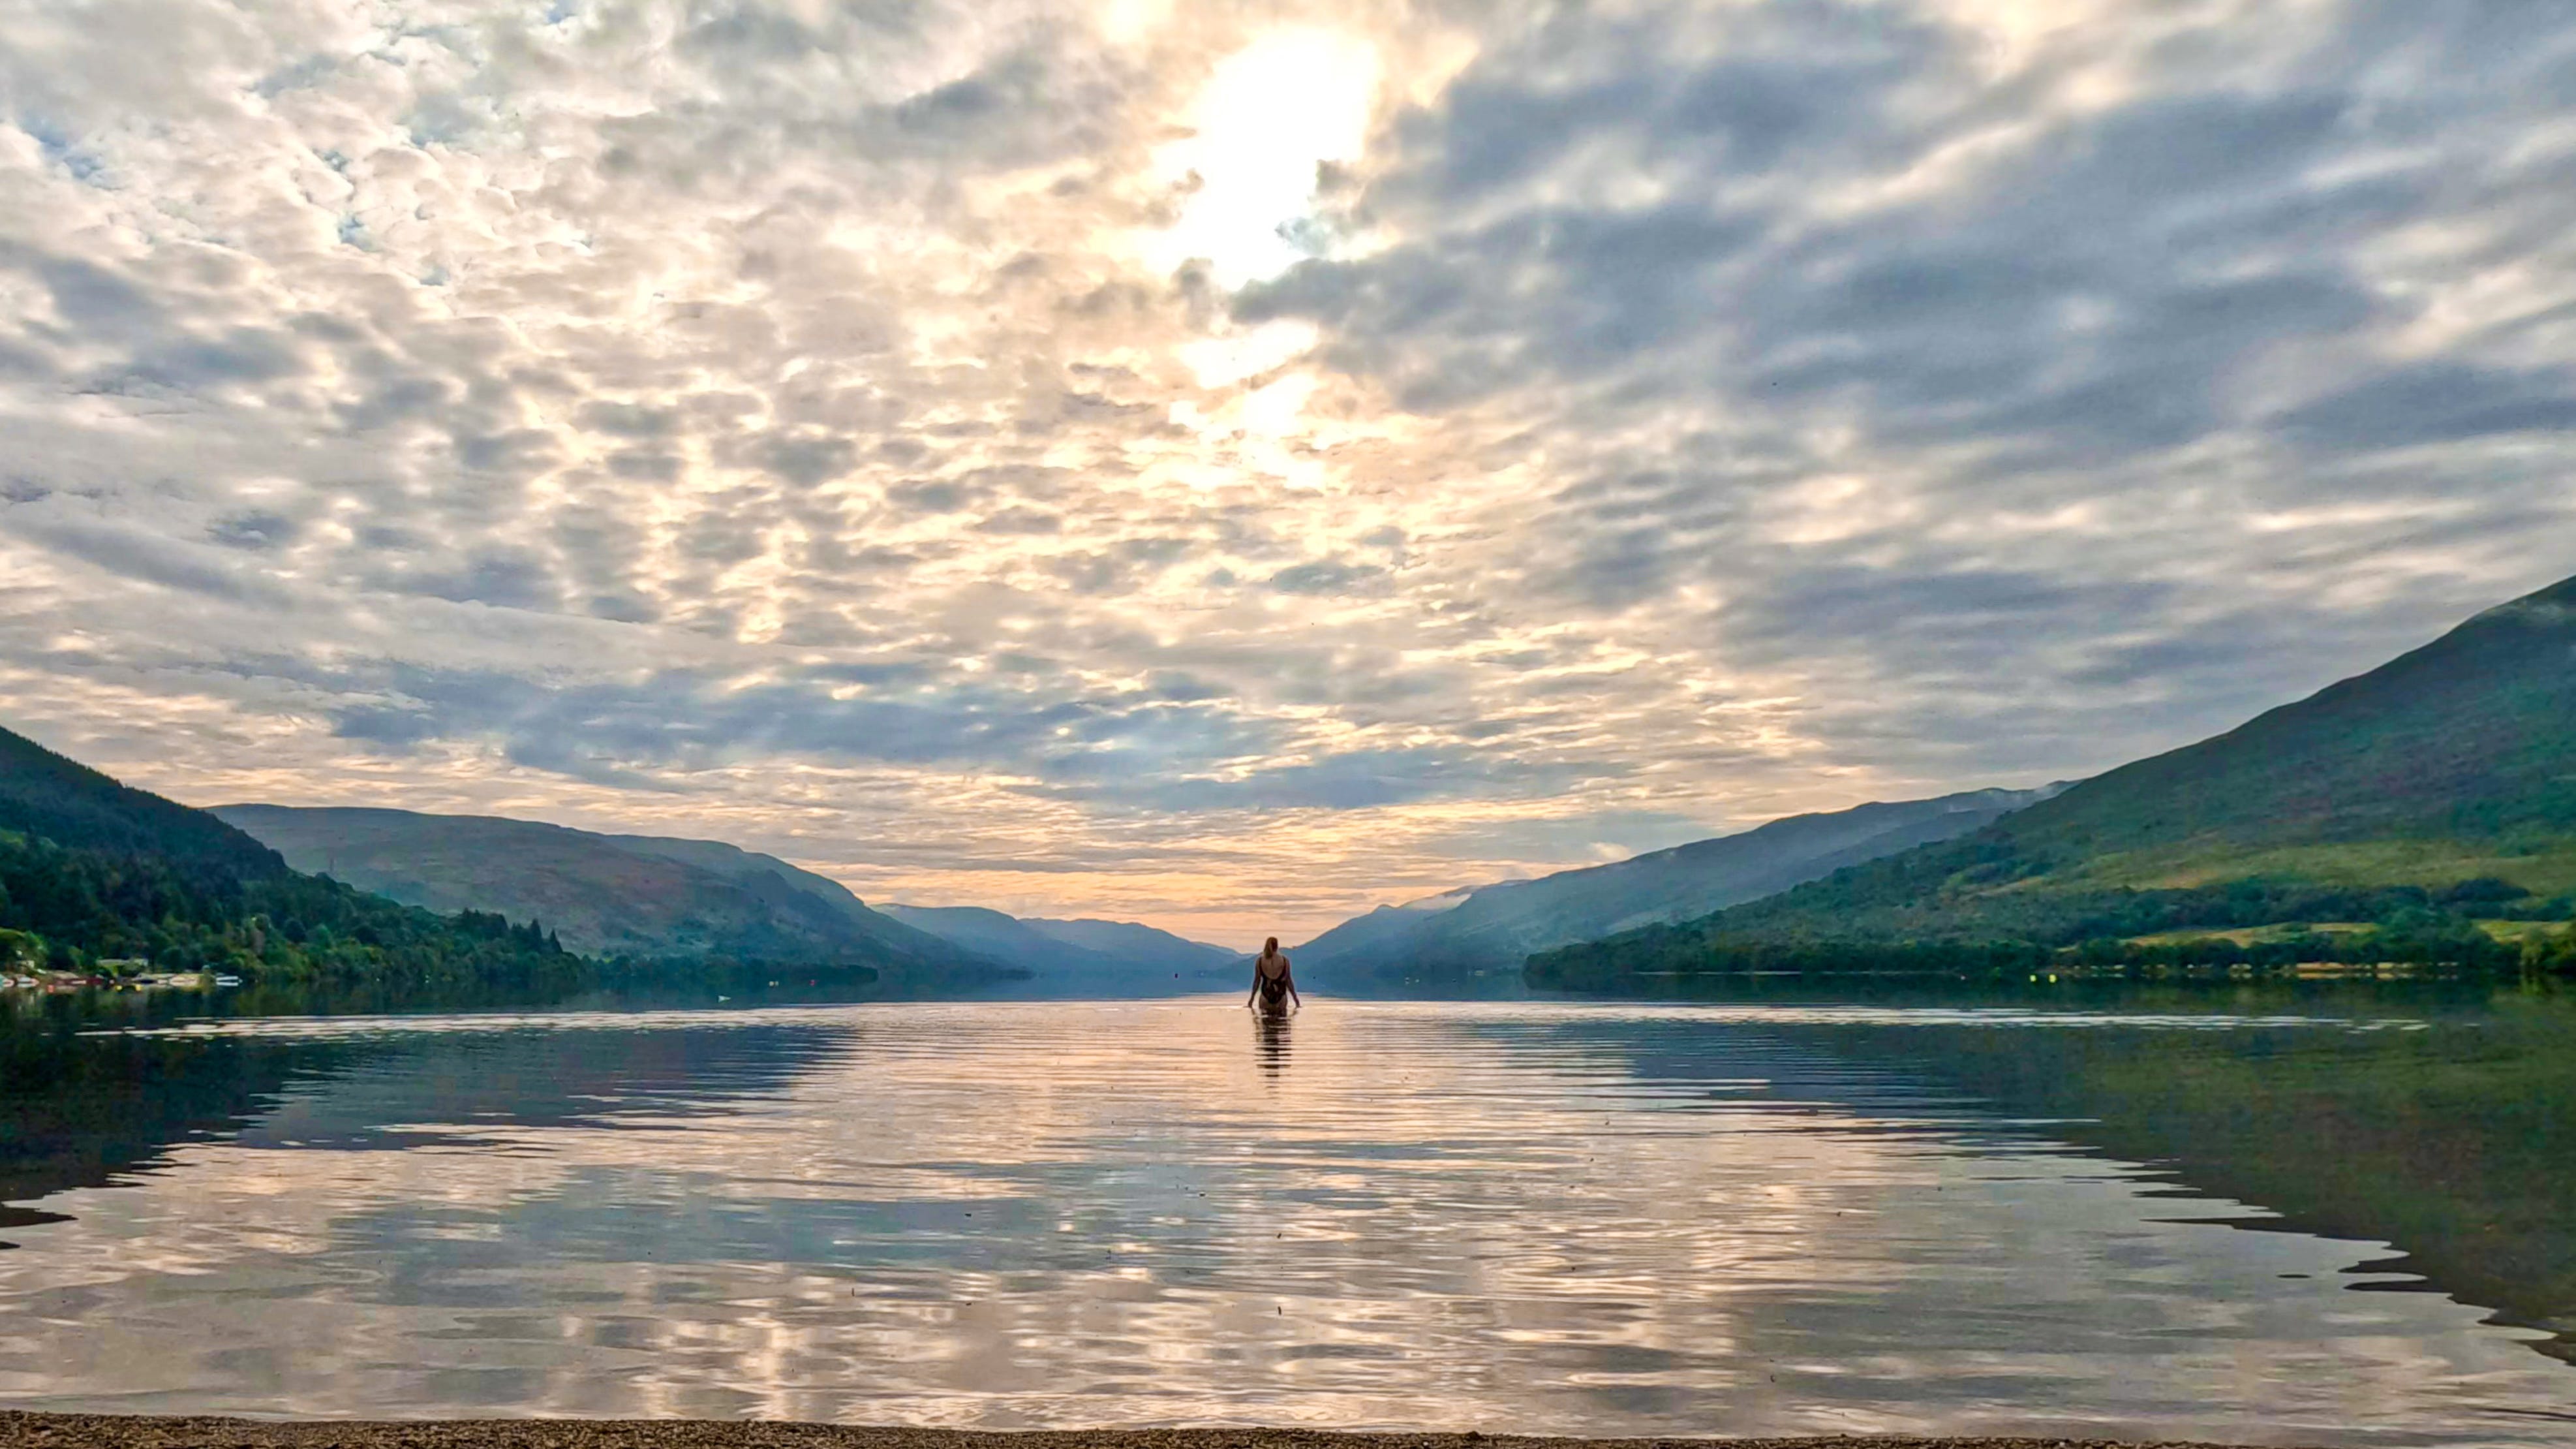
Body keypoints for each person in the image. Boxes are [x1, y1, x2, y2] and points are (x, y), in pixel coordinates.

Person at [1248, 937, 1300, 1015]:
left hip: (1265, 997)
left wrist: (1252, 999)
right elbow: (1288, 981)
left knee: (1265, 1021)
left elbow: (1257, 981)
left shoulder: (1260, 961)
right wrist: (1296, 999)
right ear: (1277, 946)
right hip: (1281, 997)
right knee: (1282, 1021)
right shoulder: (1285, 961)